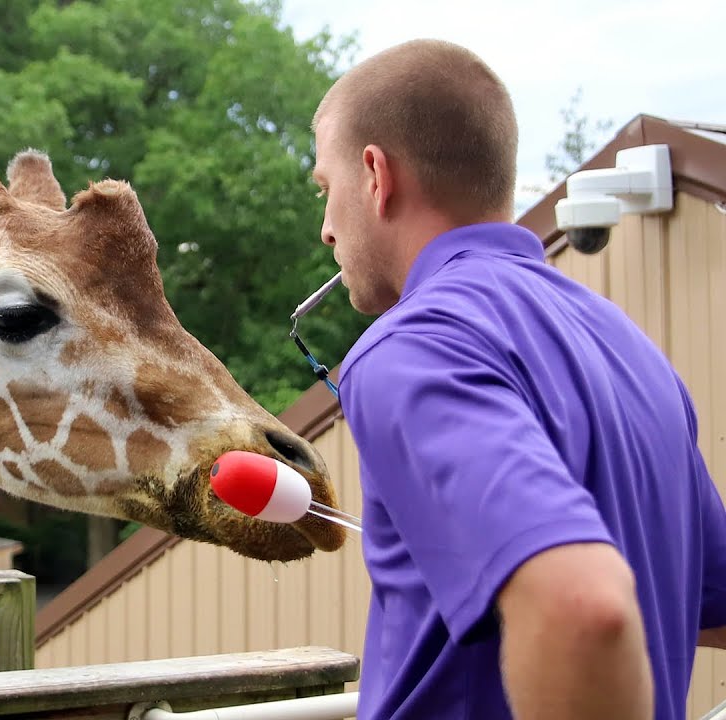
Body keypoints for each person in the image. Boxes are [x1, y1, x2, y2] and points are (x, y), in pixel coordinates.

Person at [310, 39, 726, 720]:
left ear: (375, 174)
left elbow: (582, 606)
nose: (326, 229)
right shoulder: (630, 347)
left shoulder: (412, 349)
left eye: (326, 191)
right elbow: (706, 601)